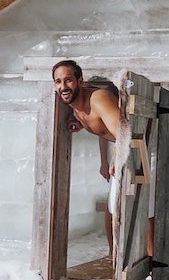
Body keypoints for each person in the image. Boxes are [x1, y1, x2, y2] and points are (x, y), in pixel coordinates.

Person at [51, 60, 120, 257]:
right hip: (121, 147)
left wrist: (117, 159)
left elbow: (124, 131)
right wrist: (104, 162)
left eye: (68, 80)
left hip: (142, 146)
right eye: (58, 82)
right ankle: (114, 255)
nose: (63, 86)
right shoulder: (76, 108)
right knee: (113, 206)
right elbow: (104, 131)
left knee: (135, 208)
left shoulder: (98, 98)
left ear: (80, 81)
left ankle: (147, 262)